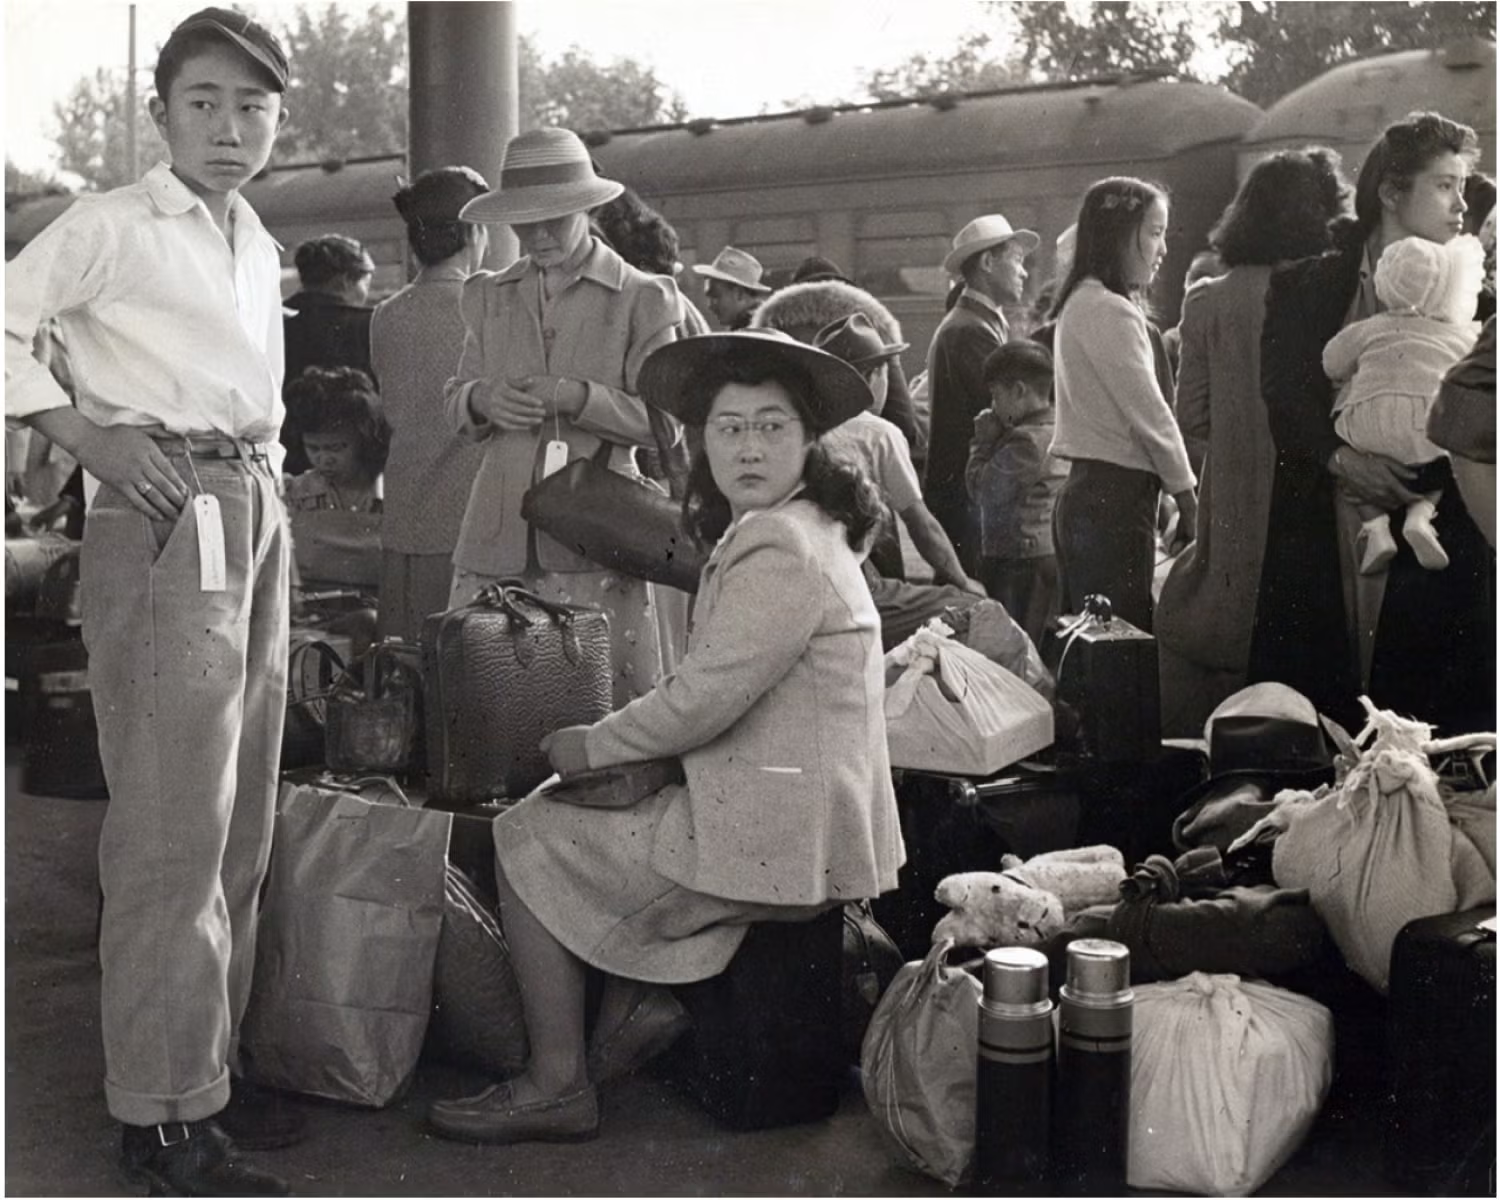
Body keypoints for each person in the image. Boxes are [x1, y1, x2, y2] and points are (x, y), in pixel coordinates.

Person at [427, 330, 905, 1145]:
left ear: (809, 440)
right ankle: (633, 1016)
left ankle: (555, 1083)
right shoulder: (812, 525)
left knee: (527, 833)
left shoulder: (777, 543)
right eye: (729, 428)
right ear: (703, 440)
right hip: (806, 824)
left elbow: (702, 699)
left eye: (771, 427)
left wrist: (592, 744)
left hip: (777, 839)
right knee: (605, 825)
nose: (748, 448)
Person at [4, 9, 298, 1194]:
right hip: (171, 503)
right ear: (162, 112)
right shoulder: (114, 224)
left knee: (241, 817)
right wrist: (84, 436)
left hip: (254, 500)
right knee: (174, 824)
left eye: (252, 108)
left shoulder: (252, 237)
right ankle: (164, 1116)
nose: (229, 128)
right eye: (204, 103)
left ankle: (208, 1068)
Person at [1251, 111, 1493, 735]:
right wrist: (1343, 459)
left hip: (1435, 518)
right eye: (1444, 185)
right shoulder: (1307, 285)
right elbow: (1284, 395)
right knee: (1325, 694)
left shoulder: (1478, 298)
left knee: (1425, 706)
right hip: (1329, 516)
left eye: (1463, 187)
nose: (1462, 204)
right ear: (1390, 192)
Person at [444, 128, 681, 709]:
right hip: (497, 534)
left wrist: (578, 397)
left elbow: (666, 425)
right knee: (493, 708)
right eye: (524, 223)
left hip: (596, 538)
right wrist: (481, 400)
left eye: (554, 219)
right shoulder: (488, 295)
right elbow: (454, 398)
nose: (539, 236)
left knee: (596, 703)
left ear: (588, 209)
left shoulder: (641, 297)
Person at [1155, 148, 1353, 736]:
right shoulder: (1328, 293)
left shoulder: (1206, 299)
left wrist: (1238, 446)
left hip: (1234, 500)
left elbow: (1190, 418)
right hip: (1316, 488)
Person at [1049, 177, 1198, 632]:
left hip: (1093, 495)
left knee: (1094, 641)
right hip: (1113, 503)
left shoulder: (1082, 301)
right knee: (1120, 641)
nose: (1163, 249)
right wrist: (1189, 500)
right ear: (1118, 236)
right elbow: (1152, 415)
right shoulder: (1108, 309)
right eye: (1154, 233)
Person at [369, 165, 490, 642]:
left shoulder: (385, 314)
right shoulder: (486, 305)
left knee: (406, 659)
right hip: (469, 520)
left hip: (404, 516)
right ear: (474, 232)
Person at [1322, 234, 1486, 574]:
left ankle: (1376, 528)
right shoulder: (1462, 334)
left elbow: (1331, 363)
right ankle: (1421, 515)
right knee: (1443, 462)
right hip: (1428, 427)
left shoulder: (1370, 327)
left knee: (1354, 464)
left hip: (1372, 424)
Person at [810, 312, 982, 595]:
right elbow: (921, 524)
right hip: (864, 582)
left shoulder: (805, 426)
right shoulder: (877, 434)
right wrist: (963, 582)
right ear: (871, 376)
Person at [924, 214, 1038, 571]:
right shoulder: (970, 330)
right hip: (968, 497)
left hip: (965, 493)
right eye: (1017, 260)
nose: (1024, 273)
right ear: (988, 262)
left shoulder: (975, 323)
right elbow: (1008, 411)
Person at [965, 340, 1067, 647]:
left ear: (1019, 391)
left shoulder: (1026, 442)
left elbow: (981, 490)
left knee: (1011, 646)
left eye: (996, 395)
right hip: (1041, 555)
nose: (993, 406)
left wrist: (982, 443)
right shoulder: (1058, 427)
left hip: (1017, 563)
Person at [281, 232, 376, 473]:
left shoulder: (273, 321)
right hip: (355, 459)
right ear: (345, 280)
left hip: (283, 454)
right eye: (366, 282)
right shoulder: (370, 324)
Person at [690, 245, 771, 329]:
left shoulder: (753, 332)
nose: (710, 305)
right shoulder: (758, 326)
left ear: (739, 294)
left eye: (715, 296)